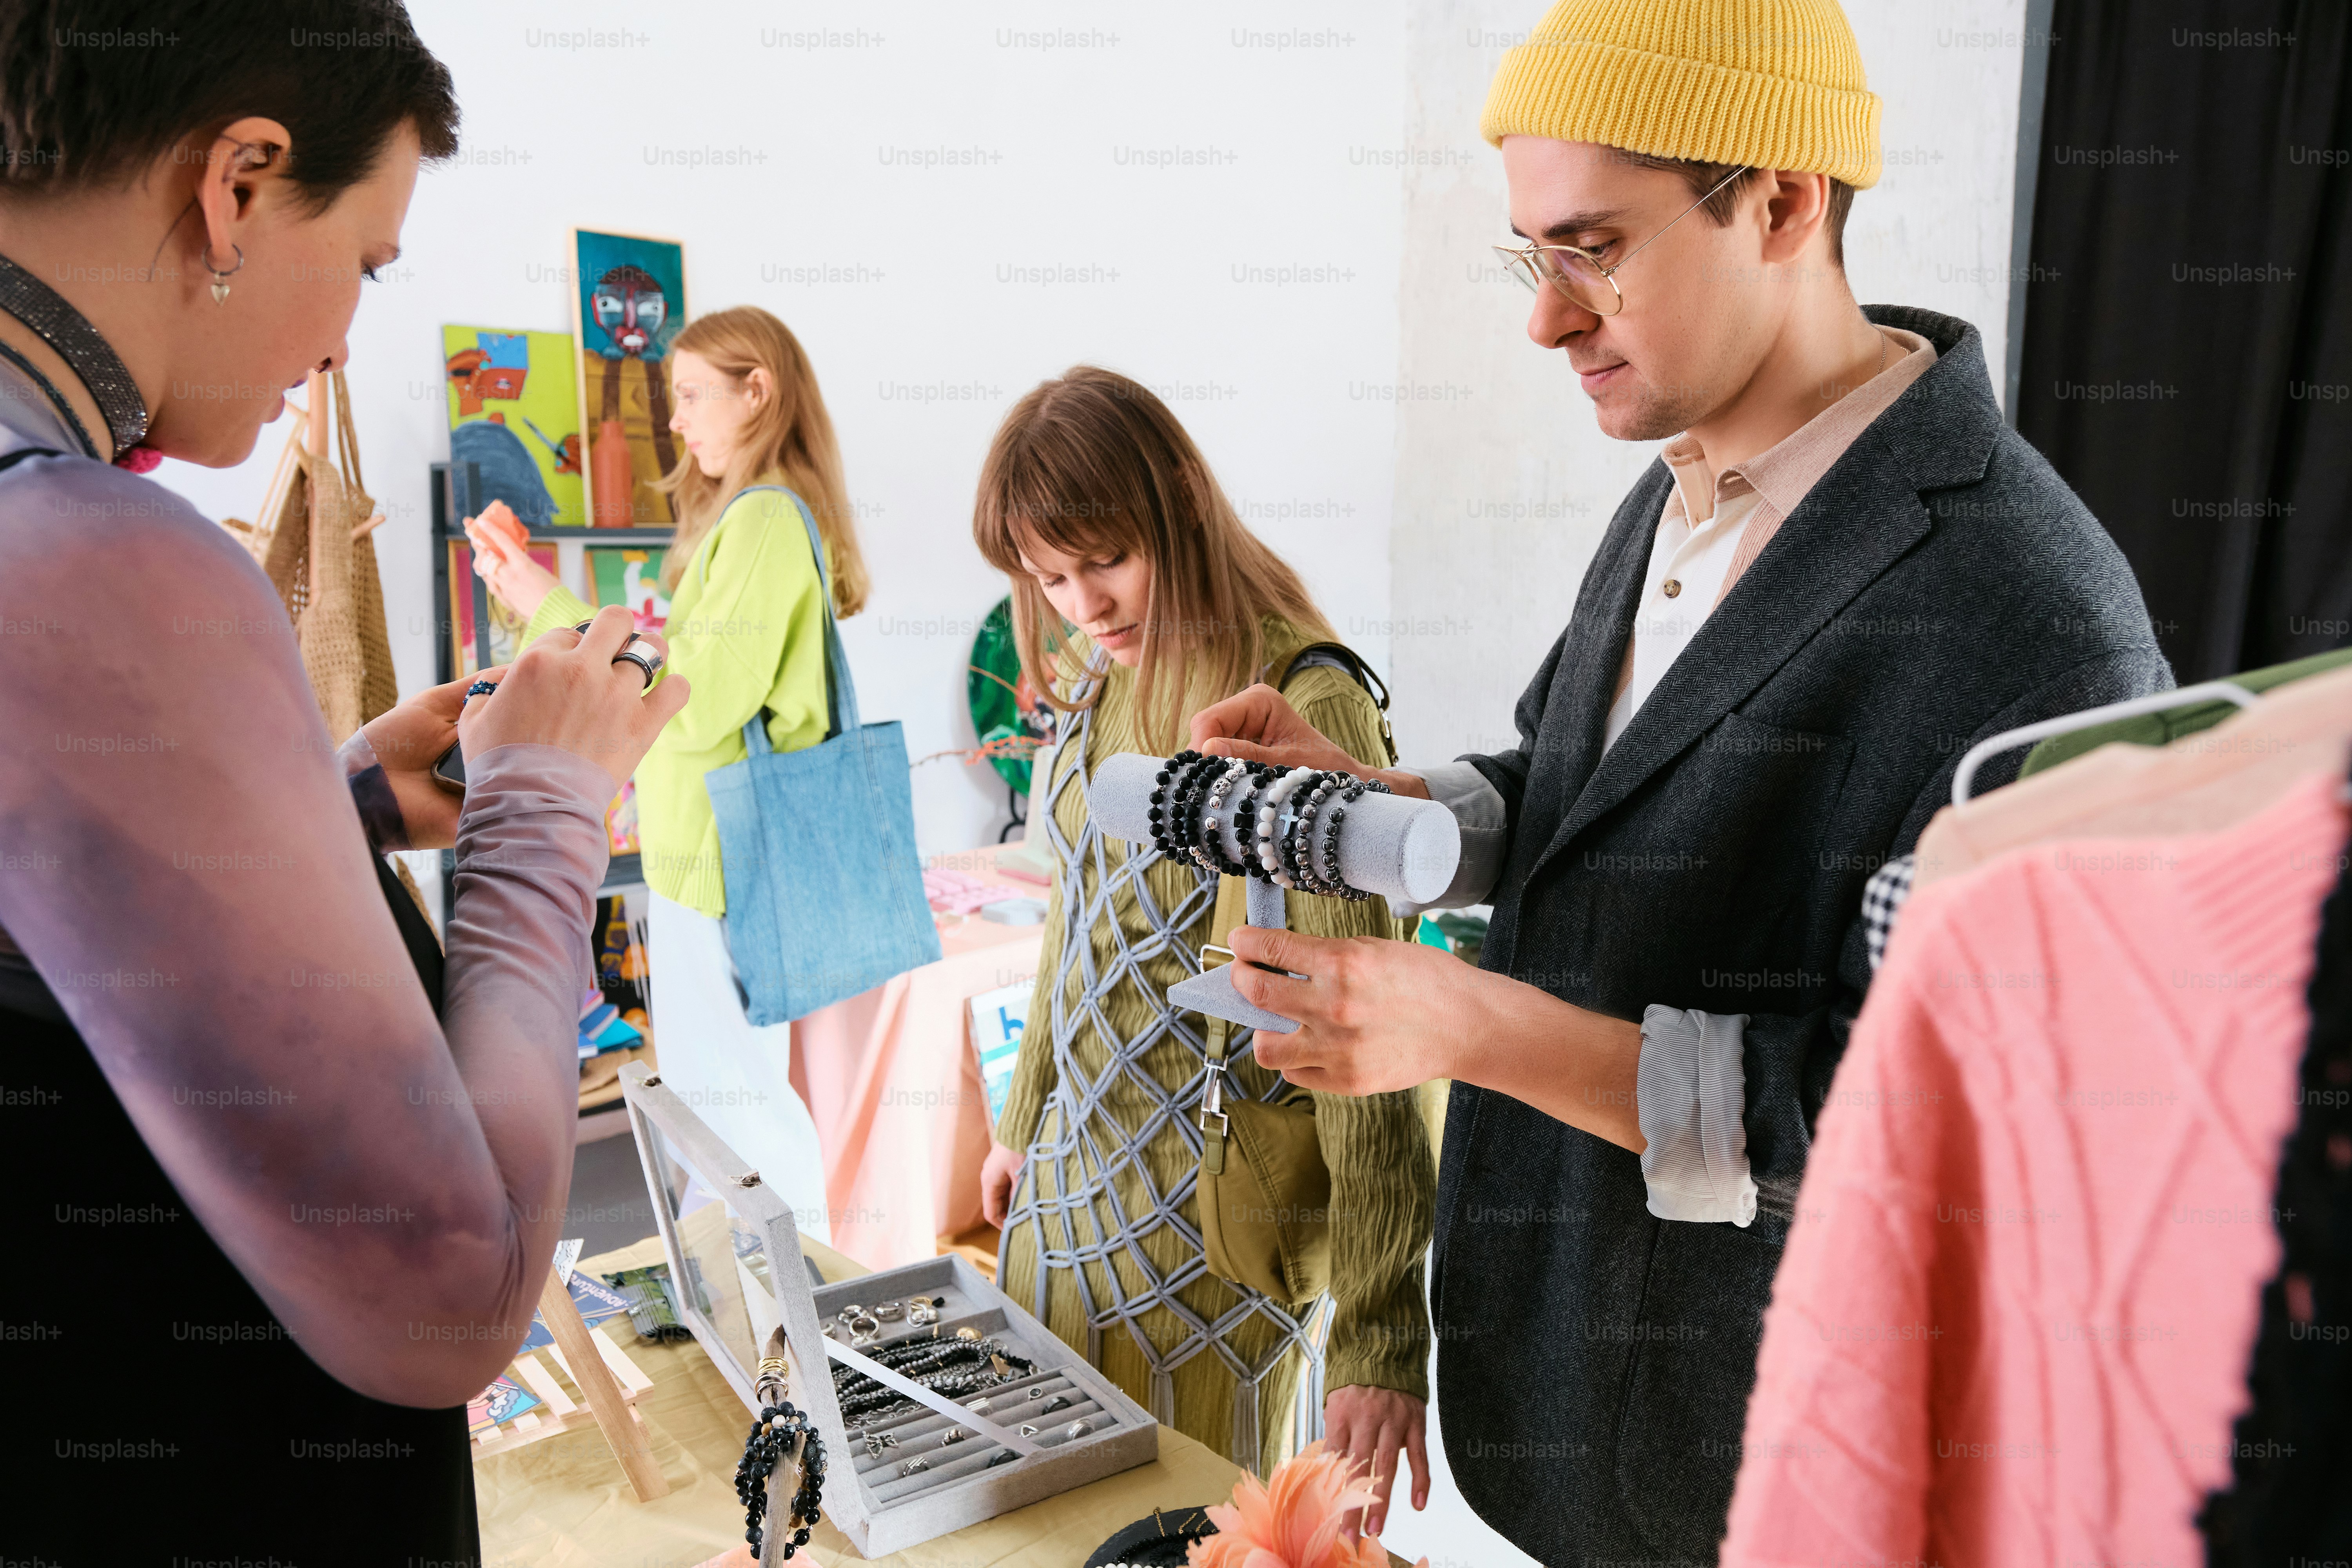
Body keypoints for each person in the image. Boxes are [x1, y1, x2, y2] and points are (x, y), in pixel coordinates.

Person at [1186, 0, 2174, 1561]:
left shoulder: (2041, 622)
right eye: (1535, 257)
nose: (1546, 321)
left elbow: (1928, 1146)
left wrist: (1477, 1029)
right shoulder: (1681, 481)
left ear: (1785, 198)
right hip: (1568, 1415)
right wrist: (1382, 814)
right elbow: (1583, 787)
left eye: (1597, 248)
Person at [0, 5, 686, 1563]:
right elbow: (446, 1293)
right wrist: (542, 809)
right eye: (368, 263)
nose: (341, 342)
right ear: (237, 183)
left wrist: (345, 804)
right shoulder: (86, 556)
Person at [971, 367, 1436, 1522]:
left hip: (1210, 1238)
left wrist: (1380, 1331)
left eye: (1104, 560)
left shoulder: (1304, 702)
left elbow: (1362, 1031)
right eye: (1051, 578)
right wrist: (1025, 1124)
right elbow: (1072, 929)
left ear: (1180, 496)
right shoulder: (1092, 694)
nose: (1084, 604)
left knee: (1180, 1537)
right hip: (1064, 1209)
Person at [466, 303, 869, 1243]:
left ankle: (782, 1321)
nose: (677, 421)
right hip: (710, 862)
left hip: (723, 865)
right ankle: (747, 1306)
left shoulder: (767, 519)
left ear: (757, 391)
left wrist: (548, 602)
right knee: (719, 1103)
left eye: (690, 395)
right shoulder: (752, 521)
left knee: (738, 1111)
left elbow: (695, 694)